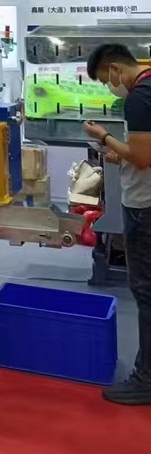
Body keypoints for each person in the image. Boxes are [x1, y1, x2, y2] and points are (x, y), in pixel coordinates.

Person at [84, 44, 151, 405]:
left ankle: (146, 380)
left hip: (145, 207)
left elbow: (142, 156)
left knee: (146, 292)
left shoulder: (139, 98)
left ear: (114, 69)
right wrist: (121, 152)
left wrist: (104, 137)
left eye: (104, 80)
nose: (110, 87)